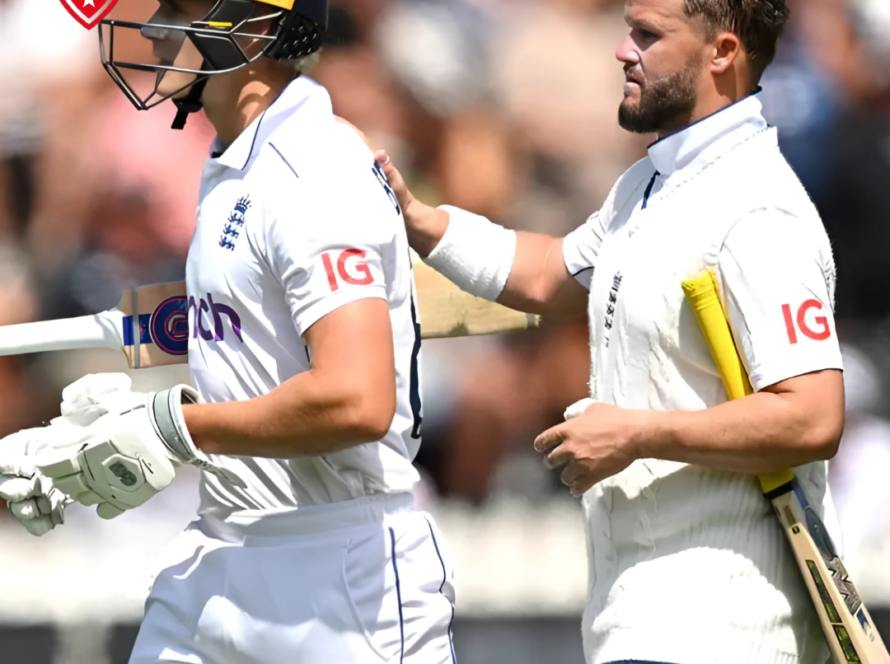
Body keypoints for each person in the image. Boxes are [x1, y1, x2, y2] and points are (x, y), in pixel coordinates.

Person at [376, 0, 845, 662]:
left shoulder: (758, 210)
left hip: (722, 631)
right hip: (641, 620)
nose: (623, 52)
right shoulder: (649, 185)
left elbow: (813, 417)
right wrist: (422, 222)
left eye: (648, 36)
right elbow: (545, 274)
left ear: (723, 53)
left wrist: (636, 434)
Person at [0, 1, 456, 662]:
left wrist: (172, 429)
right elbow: (236, 313)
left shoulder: (311, 169)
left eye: (179, 9)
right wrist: (52, 376)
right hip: (219, 551)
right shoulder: (238, 153)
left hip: (341, 585)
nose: (153, 28)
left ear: (256, 27)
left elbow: (357, 399)